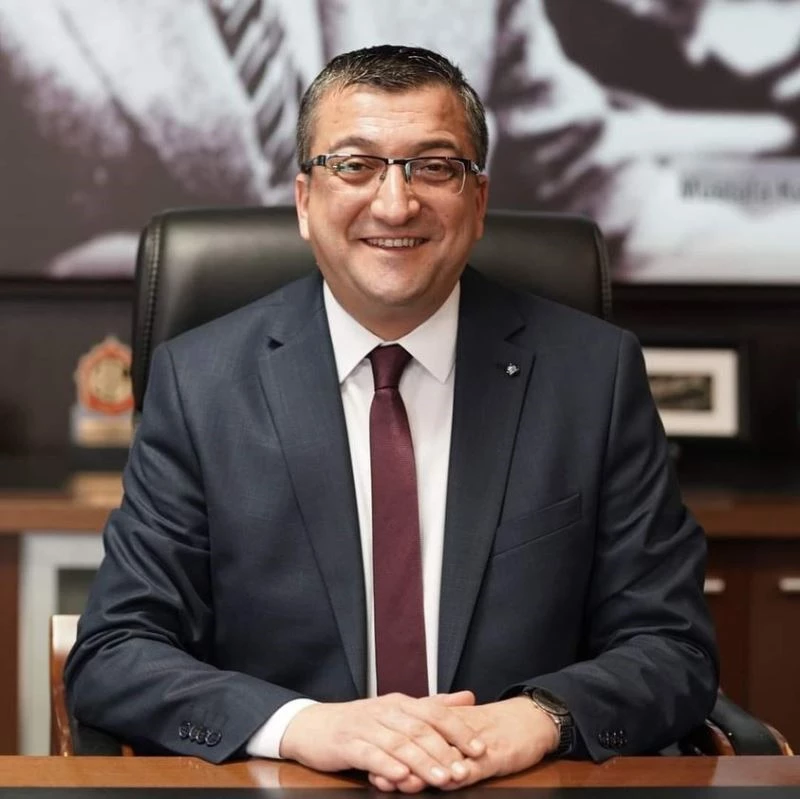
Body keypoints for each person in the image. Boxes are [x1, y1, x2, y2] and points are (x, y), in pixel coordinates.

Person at [65, 45, 718, 791]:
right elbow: (117, 650)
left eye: (433, 167)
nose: (395, 204)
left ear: (478, 201)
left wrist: (537, 719)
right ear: (305, 200)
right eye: (355, 165)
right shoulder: (201, 382)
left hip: (518, 785)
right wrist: (303, 725)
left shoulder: (591, 376)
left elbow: (672, 646)